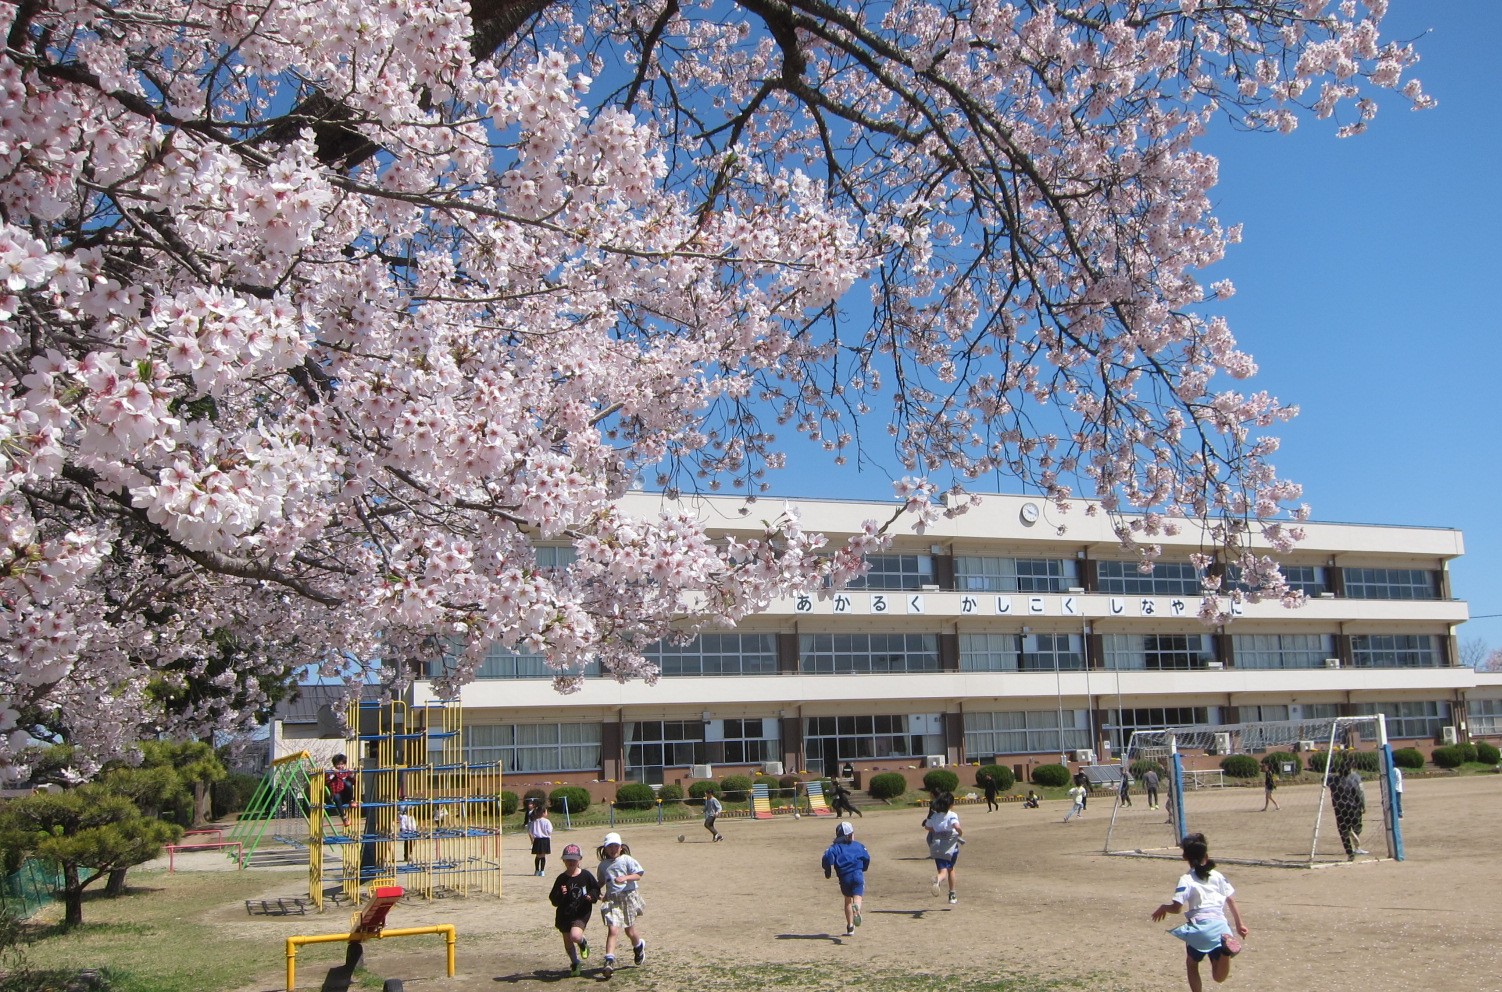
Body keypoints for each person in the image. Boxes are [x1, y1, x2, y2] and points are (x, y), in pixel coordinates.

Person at [1151, 832, 1249, 992]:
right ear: (1207, 855)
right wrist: (1240, 925)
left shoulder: (1186, 879)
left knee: (1191, 963)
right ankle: (1225, 951)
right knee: (1218, 977)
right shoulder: (1218, 876)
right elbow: (1231, 900)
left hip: (1201, 926)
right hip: (1221, 926)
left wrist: (1164, 907)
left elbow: (1177, 908)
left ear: (1185, 857)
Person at [596, 832, 646, 978]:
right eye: (609, 846)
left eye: (615, 846)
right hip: (613, 900)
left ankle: (638, 946)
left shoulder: (626, 860)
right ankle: (609, 960)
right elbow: (601, 882)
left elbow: (639, 874)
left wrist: (625, 877)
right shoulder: (603, 865)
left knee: (629, 931)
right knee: (613, 930)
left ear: (621, 847)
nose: (613, 849)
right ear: (604, 849)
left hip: (628, 897)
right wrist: (596, 892)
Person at [549, 843, 601, 977]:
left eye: (574, 859)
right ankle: (575, 962)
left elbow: (595, 889)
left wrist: (592, 896)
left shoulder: (586, 875)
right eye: (568, 859)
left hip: (581, 912)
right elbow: (553, 900)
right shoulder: (561, 879)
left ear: (580, 859)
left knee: (575, 936)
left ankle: (583, 943)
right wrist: (560, 894)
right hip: (564, 914)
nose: (571, 862)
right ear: (563, 861)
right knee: (568, 941)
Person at [822, 820, 871, 937]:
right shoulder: (859, 845)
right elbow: (867, 858)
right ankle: (857, 909)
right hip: (857, 874)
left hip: (844, 877)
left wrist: (827, 870)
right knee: (858, 897)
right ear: (851, 835)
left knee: (847, 900)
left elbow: (827, 858)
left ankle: (850, 927)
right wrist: (864, 868)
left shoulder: (834, 848)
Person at [922, 791, 963, 904]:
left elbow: (927, 827)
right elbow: (956, 825)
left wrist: (935, 829)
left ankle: (938, 880)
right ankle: (952, 893)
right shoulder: (952, 815)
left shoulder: (934, 816)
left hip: (937, 846)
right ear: (950, 804)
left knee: (942, 871)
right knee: (950, 869)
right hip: (950, 846)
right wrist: (959, 831)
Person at [1330, 759, 1368, 860]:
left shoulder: (1333, 779)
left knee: (1343, 831)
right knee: (1358, 825)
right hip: (1353, 807)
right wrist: (1363, 805)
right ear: (1351, 768)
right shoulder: (1355, 777)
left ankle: (1350, 853)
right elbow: (1359, 793)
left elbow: (1324, 779)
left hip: (1339, 808)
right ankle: (1356, 841)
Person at [324, 753, 356, 828]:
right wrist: (333, 774)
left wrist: (351, 775)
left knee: (347, 783)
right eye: (338, 764)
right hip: (337, 795)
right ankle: (344, 817)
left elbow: (353, 782)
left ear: (344, 764)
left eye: (342, 764)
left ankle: (351, 800)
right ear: (334, 765)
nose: (340, 766)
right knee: (336, 796)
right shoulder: (331, 772)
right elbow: (326, 782)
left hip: (346, 795)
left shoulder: (346, 772)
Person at [528, 804, 554, 876]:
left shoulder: (534, 821)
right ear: (543, 812)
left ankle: (536, 870)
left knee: (538, 856)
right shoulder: (547, 821)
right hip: (545, 840)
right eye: (546, 812)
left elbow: (531, 831)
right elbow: (549, 831)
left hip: (537, 839)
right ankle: (542, 871)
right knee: (543, 856)